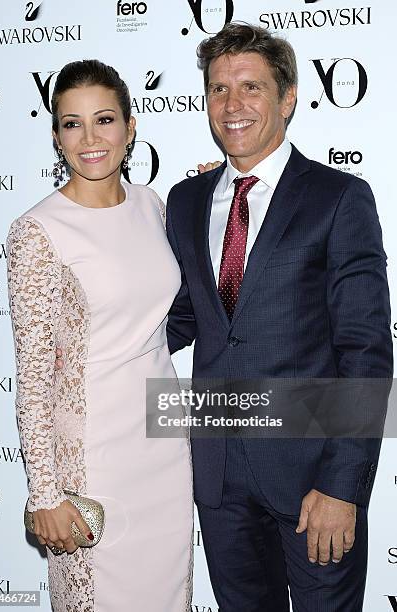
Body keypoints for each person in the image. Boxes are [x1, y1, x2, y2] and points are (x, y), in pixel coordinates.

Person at [165, 23, 393, 612]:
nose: (232, 105)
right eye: (218, 89)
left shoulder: (338, 197)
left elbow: (366, 352)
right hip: (217, 478)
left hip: (313, 479)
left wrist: (342, 486)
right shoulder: (186, 202)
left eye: (250, 87)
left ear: (288, 97)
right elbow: (183, 317)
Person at [7, 59, 193, 612]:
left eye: (104, 119)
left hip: (163, 450)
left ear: (131, 127)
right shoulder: (37, 232)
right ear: (56, 136)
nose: (90, 138)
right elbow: (33, 378)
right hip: (93, 459)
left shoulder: (153, 206)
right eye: (71, 123)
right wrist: (45, 492)